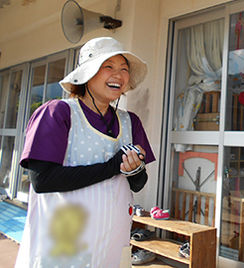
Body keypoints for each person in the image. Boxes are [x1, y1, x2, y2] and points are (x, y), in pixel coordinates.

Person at [15, 37, 156, 268]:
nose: (118, 75)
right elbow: (42, 180)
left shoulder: (130, 121)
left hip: (112, 241)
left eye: (124, 69)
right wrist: (112, 166)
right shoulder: (57, 113)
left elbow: (138, 184)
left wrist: (133, 169)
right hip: (65, 244)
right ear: (87, 74)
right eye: (108, 67)